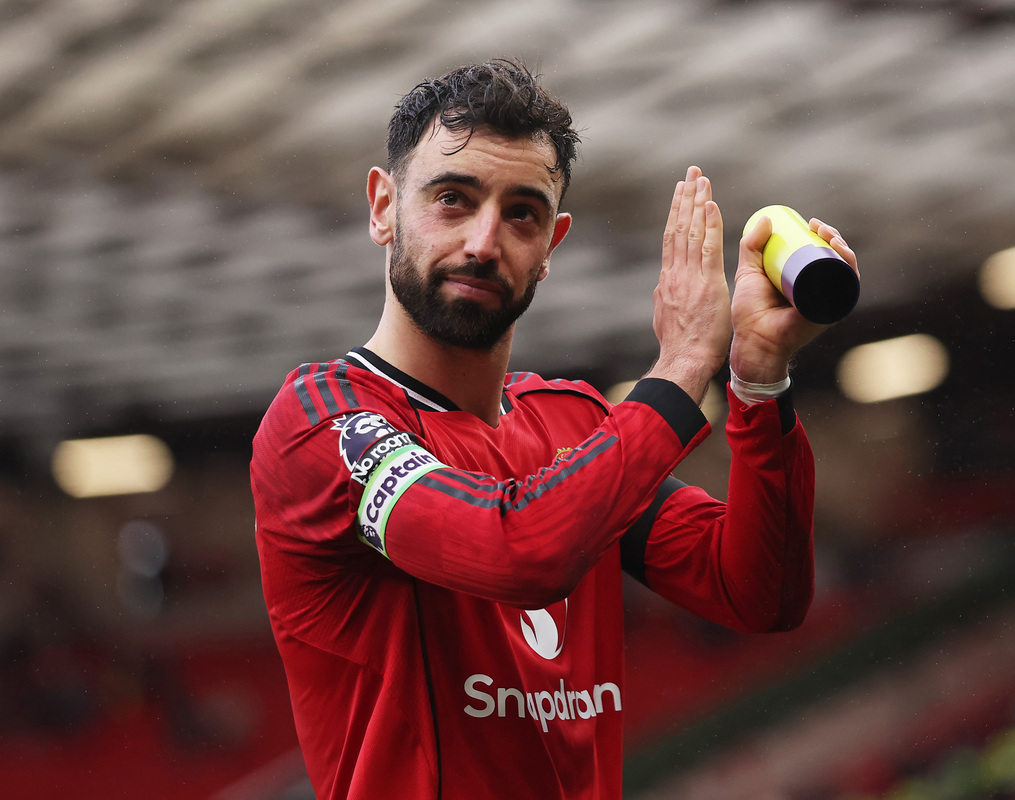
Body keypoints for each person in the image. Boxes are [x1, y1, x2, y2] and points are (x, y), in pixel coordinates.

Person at [250, 59, 858, 800]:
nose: (483, 242)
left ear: (551, 247)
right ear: (383, 208)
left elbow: (760, 593)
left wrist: (759, 378)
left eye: (522, 214)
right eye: (452, 199)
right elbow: (516, 552)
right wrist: (682, 365)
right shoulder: (324, 421)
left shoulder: (573, 421)